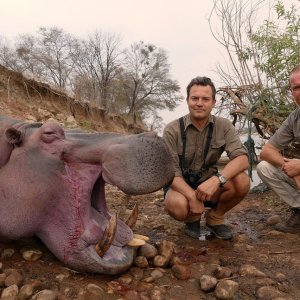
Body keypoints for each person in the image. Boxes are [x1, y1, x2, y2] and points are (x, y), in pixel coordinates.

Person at [163, 76, 250, 240]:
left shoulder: (224, 126)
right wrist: (191, 196)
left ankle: (215, 218)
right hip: (180, 186)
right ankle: (192, 219)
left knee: (243, 181)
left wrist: (218, 180)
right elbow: (170, 173)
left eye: (205, 99)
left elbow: (242, 159)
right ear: (187, 100)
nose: (199, 103)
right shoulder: (171, 130)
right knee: (177, 206)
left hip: (210, 186)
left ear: (214, 102)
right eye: (194, 98)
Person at [257, 65, 300, 233]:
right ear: (291, 92)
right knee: (264, 167)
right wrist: (293, 169)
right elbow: (266, 151)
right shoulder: (295, 117)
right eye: (296, 88)